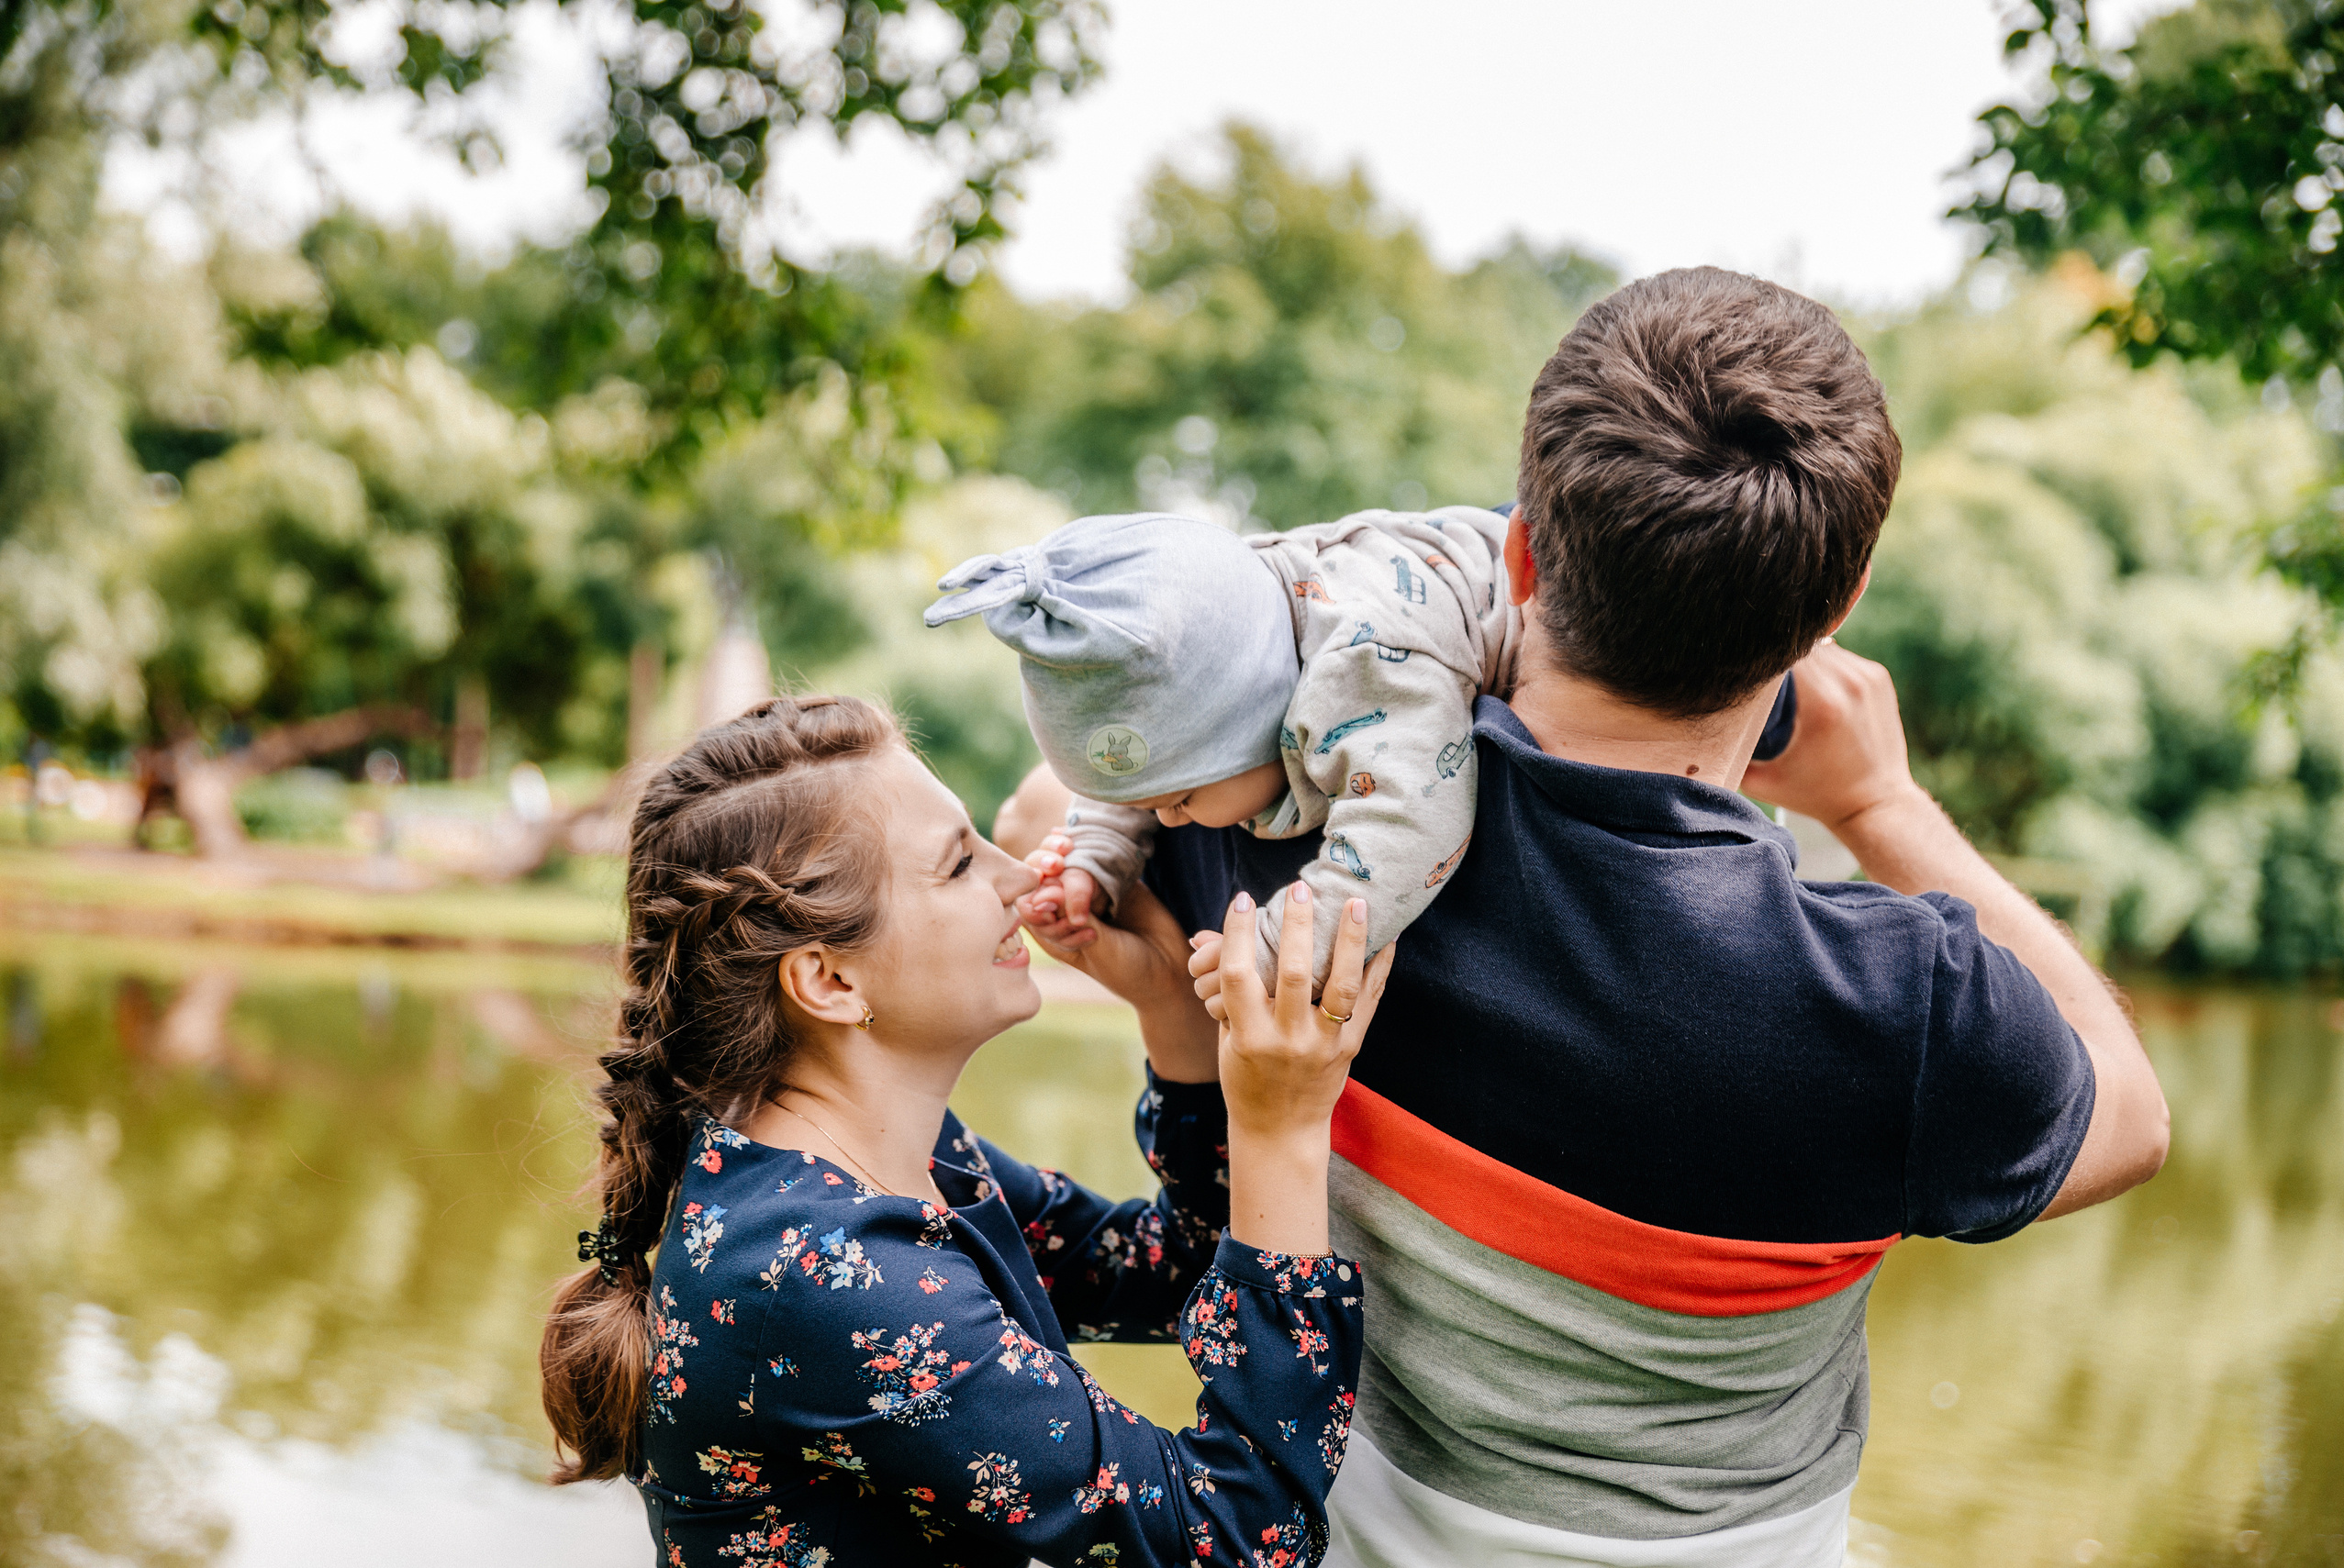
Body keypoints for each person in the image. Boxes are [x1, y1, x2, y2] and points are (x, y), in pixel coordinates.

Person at [997, 267, 2171, 1568]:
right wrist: (1890, 807)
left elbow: (1047, 805)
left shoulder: (1269, 842)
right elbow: (2131, 1116)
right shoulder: (1912, 1009)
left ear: (1520, 550)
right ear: (1836, 609)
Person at [537, 694, 1397, 1568]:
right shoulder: (817, 1269)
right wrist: (1279, 1128)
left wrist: (1169, 1004)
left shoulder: (893, 1161)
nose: (1021, 875)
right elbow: (1234, 1539)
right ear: (828, 979)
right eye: (957, 865)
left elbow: (1170, 1264)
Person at [926, 510, 1801, 993]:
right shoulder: (1213, 645)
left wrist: (1271, 950)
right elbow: (1140, 770)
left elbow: (1410, 828)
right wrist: (1093, 857)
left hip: (1558, 604)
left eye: (1181, 798)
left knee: (1757, 697)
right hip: (1416, 568)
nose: (1166, 817)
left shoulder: (1365, 680)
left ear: (1263, 715)